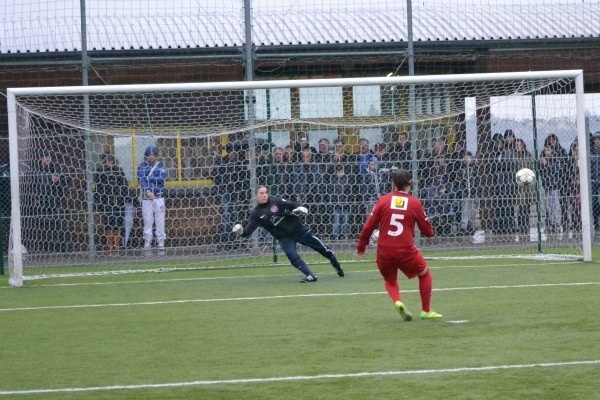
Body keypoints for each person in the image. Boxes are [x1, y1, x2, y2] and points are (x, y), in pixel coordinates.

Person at [356, 169, 442, 320]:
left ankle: (398, 301)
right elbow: (428, 232)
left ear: (393, 184)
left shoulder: (383, 200)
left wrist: (361, 247)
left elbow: (368, 226)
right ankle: (426, 311)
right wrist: (429, 230)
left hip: (384, 251)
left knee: (390, 281)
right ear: (410, 184)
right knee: (424, 273)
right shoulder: (415, 203)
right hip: (405, 250)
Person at [232, 185, 345, 282]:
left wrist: (299, 208)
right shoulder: (256, 214)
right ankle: (311, 275)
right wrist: (240, 231)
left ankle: (336, 265)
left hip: (298, 229)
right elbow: (247, 232)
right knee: (292, 255)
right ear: (256, 196)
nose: (264, 195)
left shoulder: (276, 201)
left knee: (322, 248)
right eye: (261, 193)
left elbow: (292, 205)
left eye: (266, 192)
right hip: (284, 237)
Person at [94, 153, 129, 254]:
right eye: (108, 160)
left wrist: (121, 198)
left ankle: (117, 246)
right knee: (108, 224)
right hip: (106, 203)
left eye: (111, 160)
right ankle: (110, 246)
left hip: (118, 202)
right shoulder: (100, 172)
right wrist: (99, 203)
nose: (110, 162)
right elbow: (97, 188)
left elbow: (124, 186)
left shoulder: (119, 171)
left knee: (118, 224)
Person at [33, 149, 67, 252]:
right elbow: (34, 185)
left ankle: (63, 249)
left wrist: (58, 180)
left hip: (56, 199)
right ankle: (47, 248)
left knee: (59, 224)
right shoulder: (37, 170)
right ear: (41, 158)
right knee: (44, 225)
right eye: (45, 156)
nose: (47, 158)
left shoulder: (57, 168)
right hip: (43, 200)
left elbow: (65, 183)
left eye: (49, 156)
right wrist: (36, 198)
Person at [137, 146, 167, 252]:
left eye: (153, 154)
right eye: (149, 154)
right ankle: (147, 241)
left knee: (160, 220)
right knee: (148, 220)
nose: (151, 156)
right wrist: (148, 191)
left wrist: (149, 178)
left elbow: (162, 178)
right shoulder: (141, 166)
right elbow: (141, 179)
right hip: (146, 198)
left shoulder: (161, 165)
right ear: (146, 155)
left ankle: (160, 241)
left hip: (159, 197)